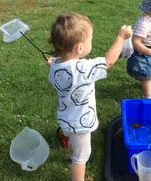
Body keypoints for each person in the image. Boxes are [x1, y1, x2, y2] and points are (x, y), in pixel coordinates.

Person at [47, 12, 132, 181]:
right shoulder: (82, 69)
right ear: (79, 48)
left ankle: (73, 152)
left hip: (66, 119)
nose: (91, 41)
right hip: (81, 123)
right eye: (90, 39)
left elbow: (59, 62)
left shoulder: (55, 64)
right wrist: (121, 37)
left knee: (74, 144)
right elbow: (108, 61)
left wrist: (52, 62)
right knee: (81, 158)